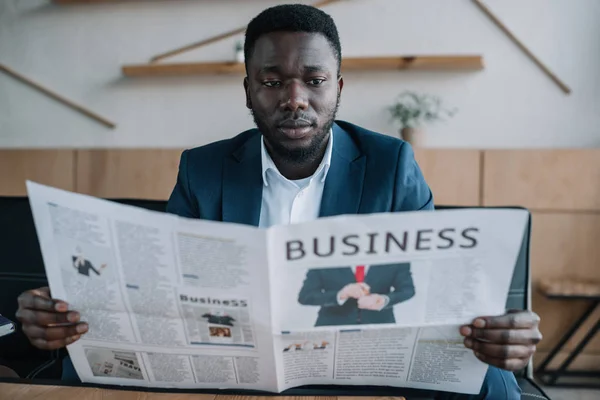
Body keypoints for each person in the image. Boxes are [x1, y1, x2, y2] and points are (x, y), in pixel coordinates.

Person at [15, 4, 542, 399]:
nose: (294, 99)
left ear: (337, 87)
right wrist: (65, 314)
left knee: (490, 378)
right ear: (249, 92)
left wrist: (498, 333)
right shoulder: (204, 169)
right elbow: (160, 291)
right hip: (236, 374)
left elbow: (435, 290)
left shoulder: (391, 163)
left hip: (355, 376)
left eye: (313, 81)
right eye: (272, 82)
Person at [298, 263, 415, 326]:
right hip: (333, 326)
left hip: (379, 326)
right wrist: (340, 295)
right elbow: (305, 296)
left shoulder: (394, 257)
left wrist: (384, 300)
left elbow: (407, 289)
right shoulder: (323, 257)